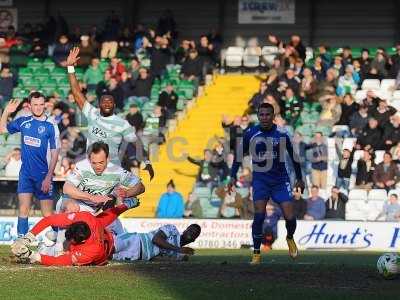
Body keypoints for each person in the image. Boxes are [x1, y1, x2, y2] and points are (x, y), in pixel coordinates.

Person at [229, 103, 305, 264]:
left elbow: (294, 157)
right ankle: (256, 253)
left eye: (267, 114)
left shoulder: (281, 134)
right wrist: (231, 176)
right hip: (261, 181)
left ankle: (290, 237)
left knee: (290, 216)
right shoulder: (251, 134)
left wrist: (299, 178)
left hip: (280, 180)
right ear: (258, 116)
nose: (264, 117)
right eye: (261, 114)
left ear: (273, 116)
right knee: (259, 216)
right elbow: (238, 156)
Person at [66, 47, 154, 178]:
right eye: (104, 102)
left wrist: (146, 161)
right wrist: (70, 68)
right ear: (99, 104)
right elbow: (77, 92)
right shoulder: (92, 113)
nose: (107, 104)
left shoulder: (121, 123)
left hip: (111, 170)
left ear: (114, 105)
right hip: (91, 168)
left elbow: (136, 142)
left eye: (110, 102)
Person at [11, 199, 141, 266]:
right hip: (109, 239)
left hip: (105, 251)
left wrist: (31, 255)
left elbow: (59, 262)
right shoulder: (85, 217)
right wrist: (28, 237)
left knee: (54, 253)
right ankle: (55, 238)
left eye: (70, 239)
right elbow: (49, 220)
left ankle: (45, 247)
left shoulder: (90, 251)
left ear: (82, 241)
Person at [0, 93, 60, 237]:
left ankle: (61, 240)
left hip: (43, 175)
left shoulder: (51, 125)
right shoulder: (23, 121)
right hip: (25, 174)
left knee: (47, 213)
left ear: (45, 104)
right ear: (29, 105)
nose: (39, 108)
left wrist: (48, 177)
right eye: (35, 104)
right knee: (23, 209)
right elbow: (2, 130)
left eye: (41, 104)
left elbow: (55, 154)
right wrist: (6, 112)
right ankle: (22, 244)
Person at [113, 223, 201, 262]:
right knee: (108, 246)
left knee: (106, 256)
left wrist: (181, 258)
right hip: (135, 241)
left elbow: (156, 258)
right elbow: (156, 239)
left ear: (194, 239)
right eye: (191, 230)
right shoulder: (172, 229)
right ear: (185, 230)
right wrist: (179, 249)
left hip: (136, 256)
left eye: (195, 233)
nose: (192, 232)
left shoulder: (177, 255)